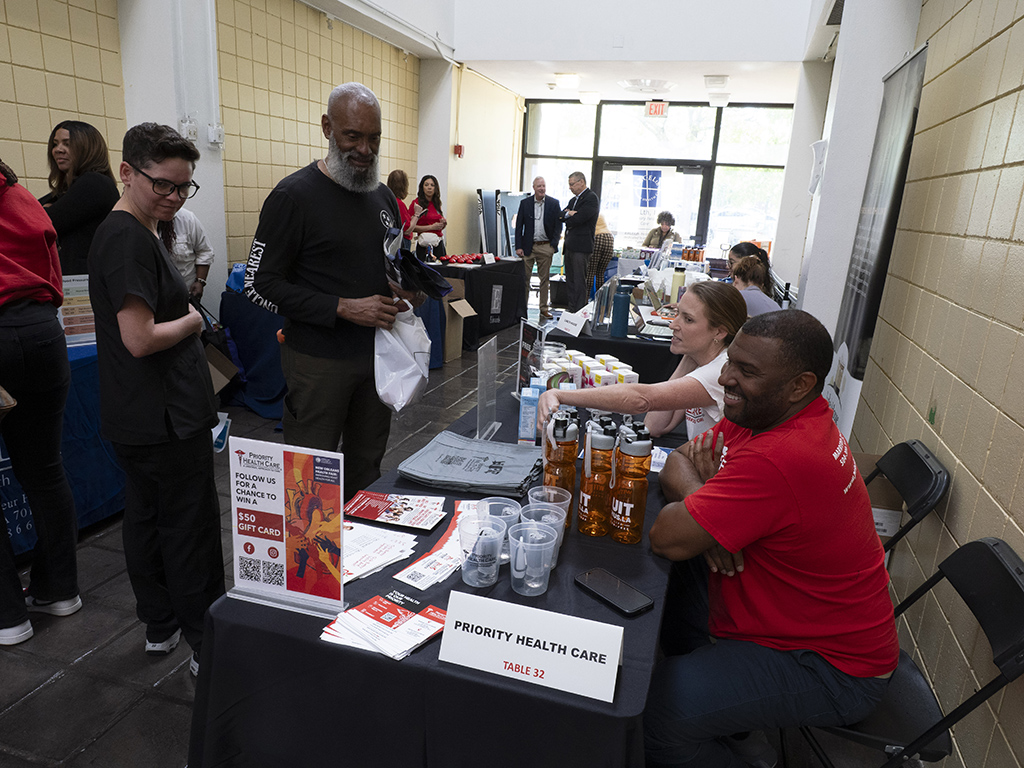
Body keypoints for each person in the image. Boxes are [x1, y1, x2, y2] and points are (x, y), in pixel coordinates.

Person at [643, 309, 898, 768]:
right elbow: (680, 459)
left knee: (663, 707)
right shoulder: (769, 412)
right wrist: (711, 511)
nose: (726, 379)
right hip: (793, 620)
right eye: (731, 362)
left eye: (746, 371)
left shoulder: (781, 455)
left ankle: (724, 734)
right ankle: (735, 728)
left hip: (832, 668)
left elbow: (665, 537)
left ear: (799, 385)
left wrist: (704, 520)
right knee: (679, 586)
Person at [88, 123, 225, 674]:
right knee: (186, 530)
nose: (172, 196)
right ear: (127, 172)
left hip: (143, 415)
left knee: (147, 520)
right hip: (165, 418)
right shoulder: (125, 237)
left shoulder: (137, 230)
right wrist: (192, 321)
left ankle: (162, 625)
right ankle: (205, 643)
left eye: (183, 188)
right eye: (162, 185)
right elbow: (140, 338)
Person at [244, 82, 422, 501]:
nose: (365, 149)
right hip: (317, 363)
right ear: (327, 127)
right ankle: (311, 567)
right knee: (311, 483)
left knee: (367, 469)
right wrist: (341, 307)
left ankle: (363, 560)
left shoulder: (381, 196)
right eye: (352, 136)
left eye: (373, 137)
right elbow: (258, 285)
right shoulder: (293, 196)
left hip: (378, 359)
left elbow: (387, 264)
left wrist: (407, 291)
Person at [0, 158, 81, 647]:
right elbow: (53, 266)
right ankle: (59, 589)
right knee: (46, 470)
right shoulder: (22, 197)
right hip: (42, 334)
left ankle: (8, 615)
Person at [536, 282, 746, 440]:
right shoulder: (702, 360)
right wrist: (689, 356)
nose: (673, 324)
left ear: (719, 332)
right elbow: (654, 425)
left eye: (688, 319)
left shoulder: (720, 371)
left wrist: (559, 394)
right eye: (677, 314)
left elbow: (642, 400)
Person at [38, 120, 120, 275]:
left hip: (84, 283)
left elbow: (46, 223)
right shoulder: (68, 189)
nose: (58, 150)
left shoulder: (95, 182)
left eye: (67, 144)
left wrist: (46, 210)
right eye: (55, 144)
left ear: (87, 148)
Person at [514, 176, 562, 320]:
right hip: (528, 247)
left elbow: (558, 226)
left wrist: (553, 245)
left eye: (543, 186)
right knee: (525, 279)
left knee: (544, 280)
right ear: (533, 187)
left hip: (545, 247)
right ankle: (522, 309)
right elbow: (519, 226)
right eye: (539, 186)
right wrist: (518, 246)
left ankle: (543, 309)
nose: (542, 188)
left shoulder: (554, 203)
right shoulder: (525, 203)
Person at [560, 171, 599, 312]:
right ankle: (571, 308)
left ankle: (579, 310)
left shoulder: (590, 198)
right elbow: (561, 215)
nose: (570, 187)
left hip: (581, 247)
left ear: (581, 182)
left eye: (572, 184)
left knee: (579, 280)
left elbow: (579, 219)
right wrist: (568, 214)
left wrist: (569, 216)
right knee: (569, 280)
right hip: (570, 245)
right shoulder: (573, 200)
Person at [164, 208, 215, 300]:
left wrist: (200, 281)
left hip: (186, 295)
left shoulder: (188, 219)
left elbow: (204, 251)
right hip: (150, 299)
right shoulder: (138, 219)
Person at [410, 174, 447, 261]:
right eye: (426, 185)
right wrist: (431, 227)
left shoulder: (437, 203)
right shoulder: (416, 203)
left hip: (438, 244)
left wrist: (443, 224)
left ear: (435, 188)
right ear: (422, 187)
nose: (429, 187)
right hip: (424, 245)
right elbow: (410, 227)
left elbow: (439, 226)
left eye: (432, 185)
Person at [585, 214, 614, 298]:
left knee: (590, 272)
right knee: (600, 273)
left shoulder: (587, 212)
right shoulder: (600, 214)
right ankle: (601, 301)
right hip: (609, 237)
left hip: (597, 236)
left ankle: (585, 300)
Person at [386, 170, 414, 250]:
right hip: (402, 241)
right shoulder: (399, 204)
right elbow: (407, 230)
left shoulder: (388, 201)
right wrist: (417, 215)